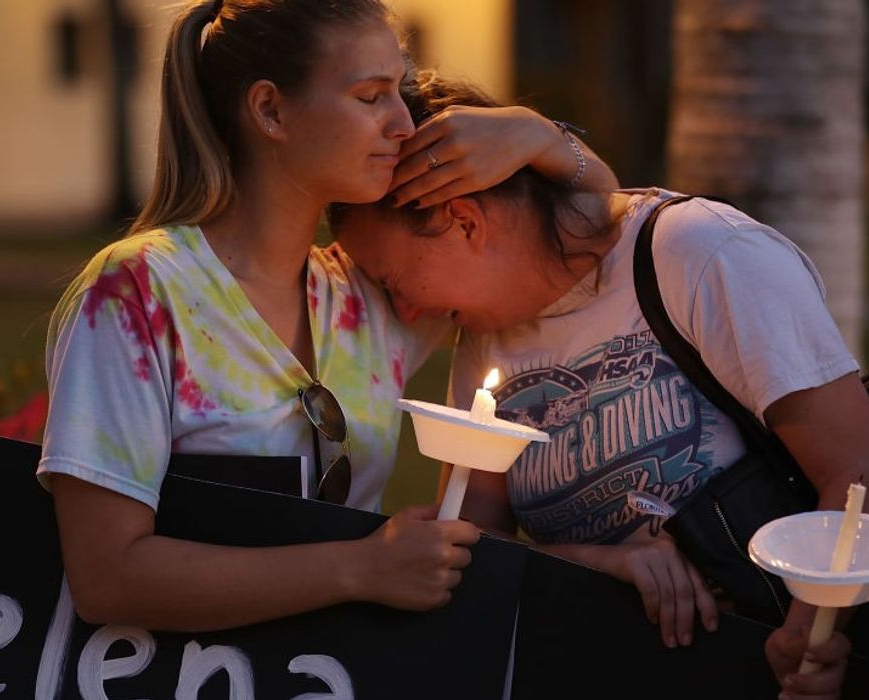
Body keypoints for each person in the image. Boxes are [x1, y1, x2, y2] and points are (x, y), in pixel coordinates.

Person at [37, 0, 618, 634]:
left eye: (398, 91)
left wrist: (539, 137)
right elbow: (106, 578)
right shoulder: (139, 294)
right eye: (371, 98)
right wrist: (362, 568)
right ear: (270, 110)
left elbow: (590, 229)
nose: (402, 123)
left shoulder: (365, 300)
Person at [331, 73, 869, 700]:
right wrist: (601, 564)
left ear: (463, 222)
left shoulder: (702, 254)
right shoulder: (485, 335)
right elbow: (471, 542)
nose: (406, 313)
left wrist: (807, 637)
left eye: (391, 281)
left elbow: (864, 471)